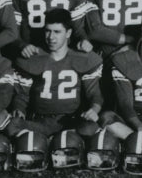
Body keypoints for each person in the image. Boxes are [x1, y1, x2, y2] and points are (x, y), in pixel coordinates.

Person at [8, 8, 104, 137]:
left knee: (90, 128)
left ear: (68, 33)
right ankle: (56, 139)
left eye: (57, 32)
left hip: (71, 121)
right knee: (11, 124)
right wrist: (18, 109)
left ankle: (55, 139)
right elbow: (22, 95)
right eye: (48, 31)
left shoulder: (83, 59)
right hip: (41, 121)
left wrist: (94, 110)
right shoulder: (33, 58)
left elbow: (94, 94)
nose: (51, 37)